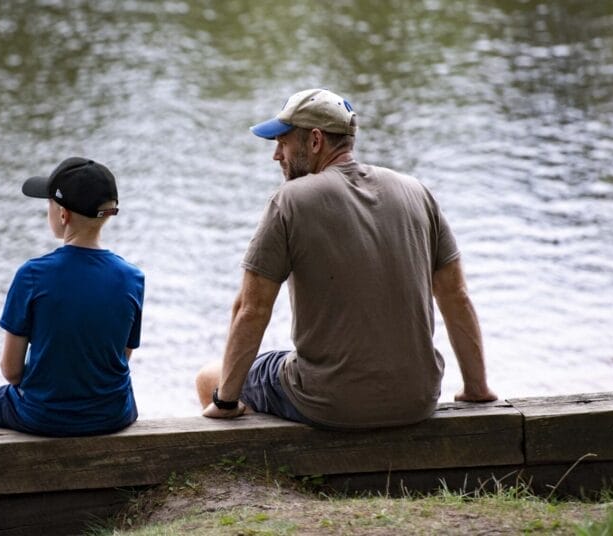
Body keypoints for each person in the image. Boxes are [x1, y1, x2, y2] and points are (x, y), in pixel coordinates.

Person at [195, 88, 497, 428]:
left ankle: (263, 459)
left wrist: (225, 401)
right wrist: (477, 389)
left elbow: (251, 310)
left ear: (315, 140)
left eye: (283, 142)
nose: (277, 155)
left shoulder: (290, 201)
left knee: (210, 378)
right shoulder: (416, 191)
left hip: (329, 402)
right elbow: (456, 296)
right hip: (419, 398)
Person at [0, 157, 144, 436]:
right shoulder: (132, 278)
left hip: (44, 415)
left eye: (49, 203)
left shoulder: (33, 275)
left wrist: (48, 386)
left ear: (63, 215)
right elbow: (121, 359)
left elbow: (11, 372)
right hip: (113, 413)